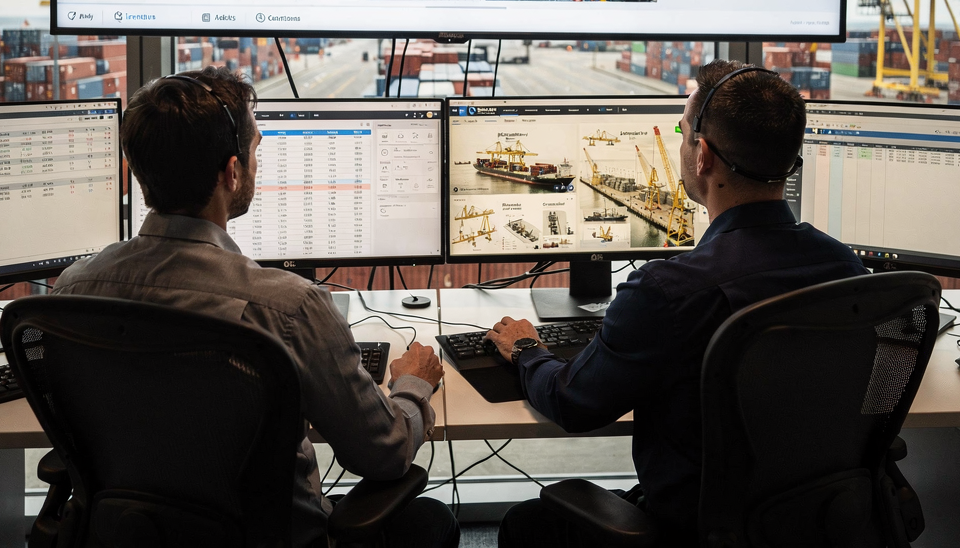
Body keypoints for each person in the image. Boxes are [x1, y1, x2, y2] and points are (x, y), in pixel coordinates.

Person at [53, 68, 458, 548]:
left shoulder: (72, 291)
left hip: (128, 535)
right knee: (431, 522)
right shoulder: (291, 308)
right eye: (255, 149)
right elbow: (383, 454)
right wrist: (412, 385)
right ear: (232, 172)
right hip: (274, 540)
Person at [487, 61, 867, 547]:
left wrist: (527, 350)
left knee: (525, 525)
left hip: (698, 528)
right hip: (818, 522)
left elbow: (572, 403)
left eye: (683, 134)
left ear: (702, 155)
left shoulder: (667, 291)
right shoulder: (846, 268)